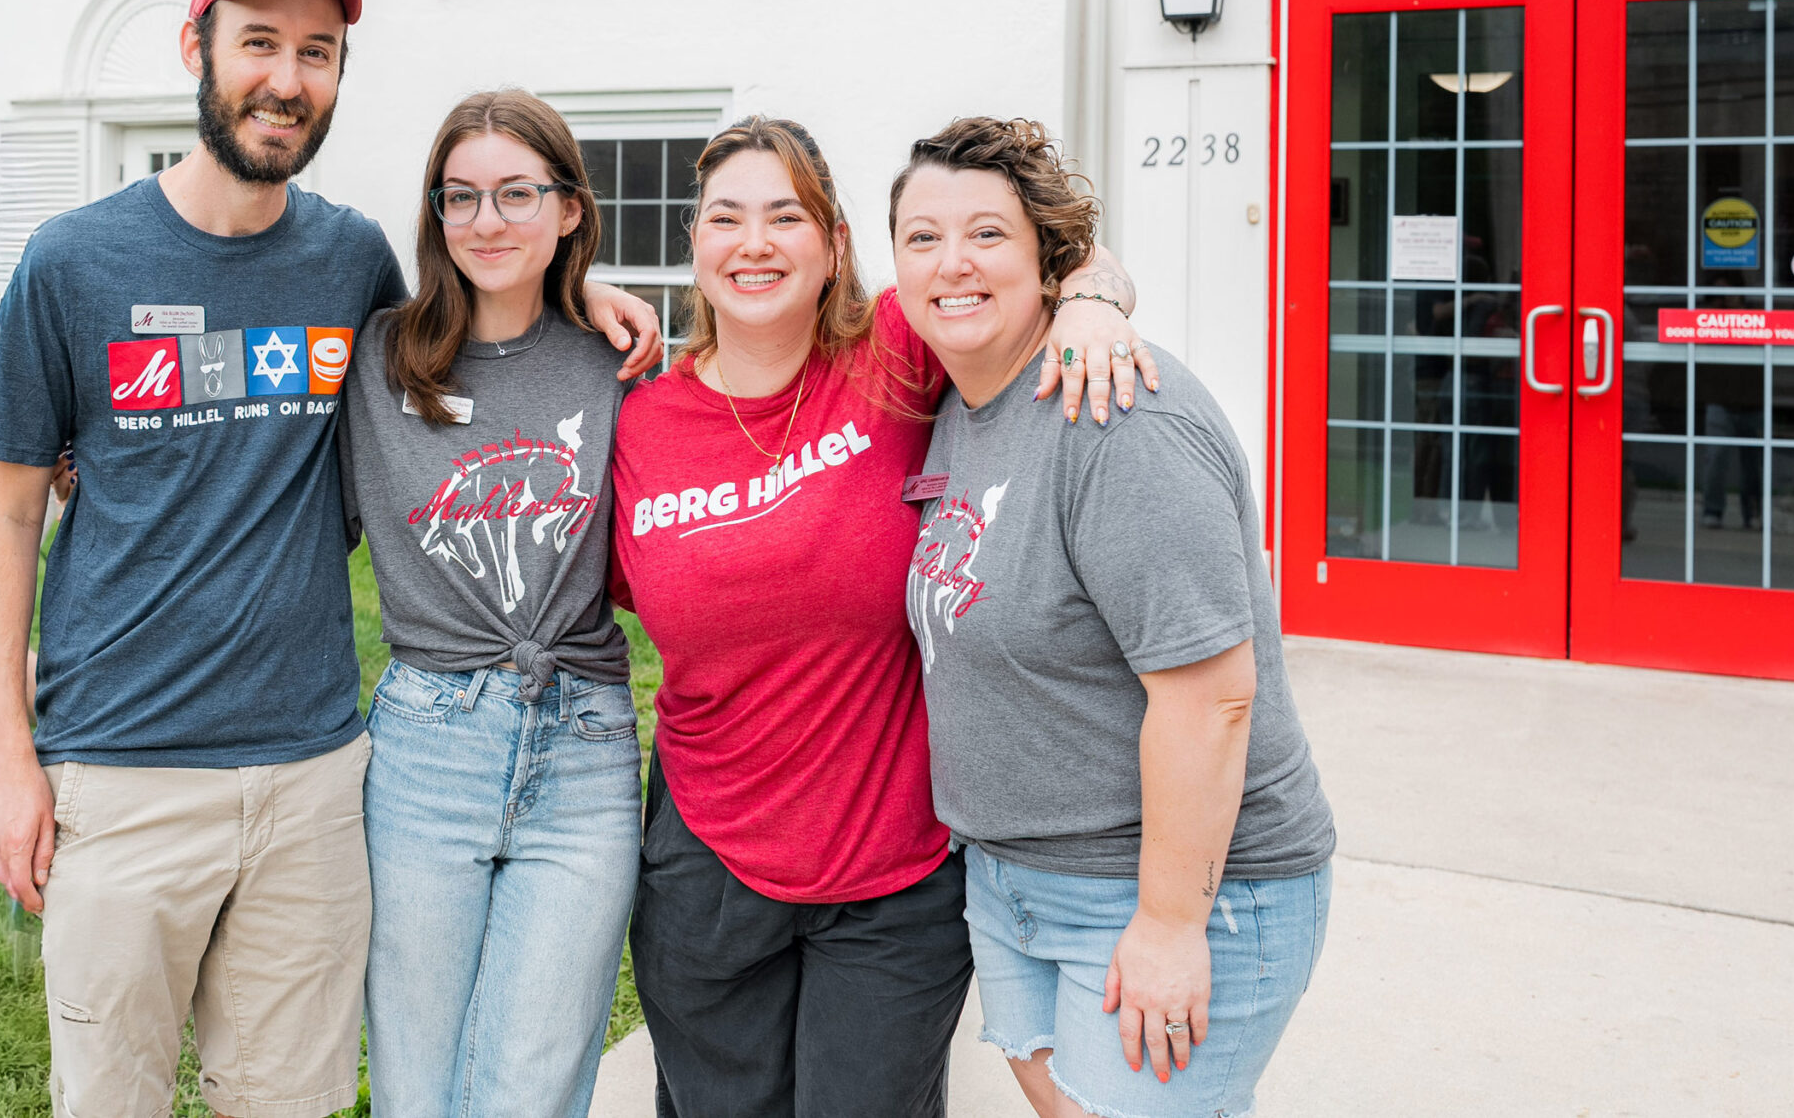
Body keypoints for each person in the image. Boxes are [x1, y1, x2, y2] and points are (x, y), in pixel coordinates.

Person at [0, 0, 660, 1118]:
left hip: (315, 776)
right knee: (111, 1098)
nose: (288, 77)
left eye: (318, 53)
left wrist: (571, 285)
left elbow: (458, 369)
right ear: (198, 47)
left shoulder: (349, 262)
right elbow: (9, 518)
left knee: (289, 1100)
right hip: (122, 770)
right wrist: (9, 765)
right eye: (260, 43)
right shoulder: (71, 263)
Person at [610, 116, 1154, 1118]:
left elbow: (1068, 262)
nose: (755, 240)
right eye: (725, 217)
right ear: (695, 247)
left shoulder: (895, 355)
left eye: (786, 215)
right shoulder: (638, 422)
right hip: (707, 860)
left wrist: (1087, 305)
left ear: (834, 248)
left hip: (893, 872)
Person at [889, 117, 1334, 1118]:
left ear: (1048, 258)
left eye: (987, 235)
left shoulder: (1117, 413)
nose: (951, 263)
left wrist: (1171, 924)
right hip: (1014, 881)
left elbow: (1213, 699)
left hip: (1174, 894)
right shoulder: (968, 394)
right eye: (922, 237)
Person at [338, 89, 640, 1118]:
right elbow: (260, 493)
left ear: (568, 210)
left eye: (517, 194)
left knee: (534, 1085)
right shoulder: (375, 364)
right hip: (429, 742)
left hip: (586, 747)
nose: (486, 221)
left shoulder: (624, 365)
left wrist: (1090, 285)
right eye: (459, 197)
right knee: (417, 1085)